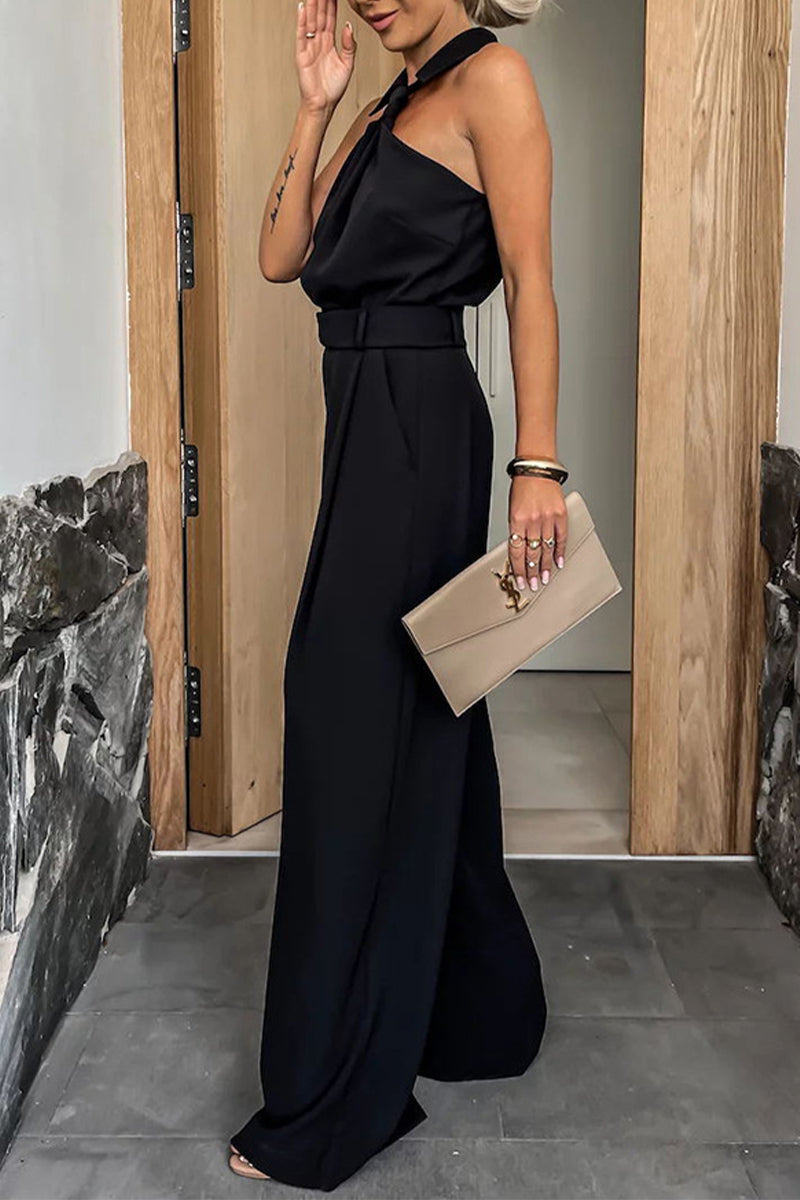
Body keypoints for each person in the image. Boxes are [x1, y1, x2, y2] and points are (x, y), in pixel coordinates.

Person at [229, 0, 564, 1189]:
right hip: (362, 419)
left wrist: (536, 465)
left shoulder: (492, 82)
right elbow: (283, 258)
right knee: (421, 712)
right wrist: (313, 108)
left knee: (349, 723)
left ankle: (337, 1091)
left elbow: (526, 279)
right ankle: (476, 1005)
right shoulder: (386, 102)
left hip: (422, 423)